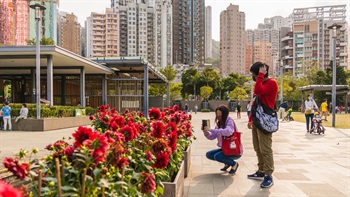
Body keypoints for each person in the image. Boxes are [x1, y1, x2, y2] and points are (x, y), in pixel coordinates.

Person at [247, 62, 278, 188]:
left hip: (265, 120)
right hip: (256, 120)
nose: (253, 77)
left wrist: (260, 75)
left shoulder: (271, 83)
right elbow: (255, 102)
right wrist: (250, 119)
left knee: (266, 149)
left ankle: (269, 175)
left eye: (253, 74)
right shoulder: (260, 82)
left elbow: (258, 90)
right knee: (257, 148)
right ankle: (261, 170)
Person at [202, 105, 242, 174]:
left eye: (219, 114)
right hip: (225, 148)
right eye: (217, 114)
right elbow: (211, 136)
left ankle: (234, 164)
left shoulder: (229, 121)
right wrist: (206, 132)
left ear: (224, 114)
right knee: (209, 154)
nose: (218, 116)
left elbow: (228, 132)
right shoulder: (219, 124)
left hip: (234, 150)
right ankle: (227, 163)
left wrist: (211, 129)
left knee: (217, 156)